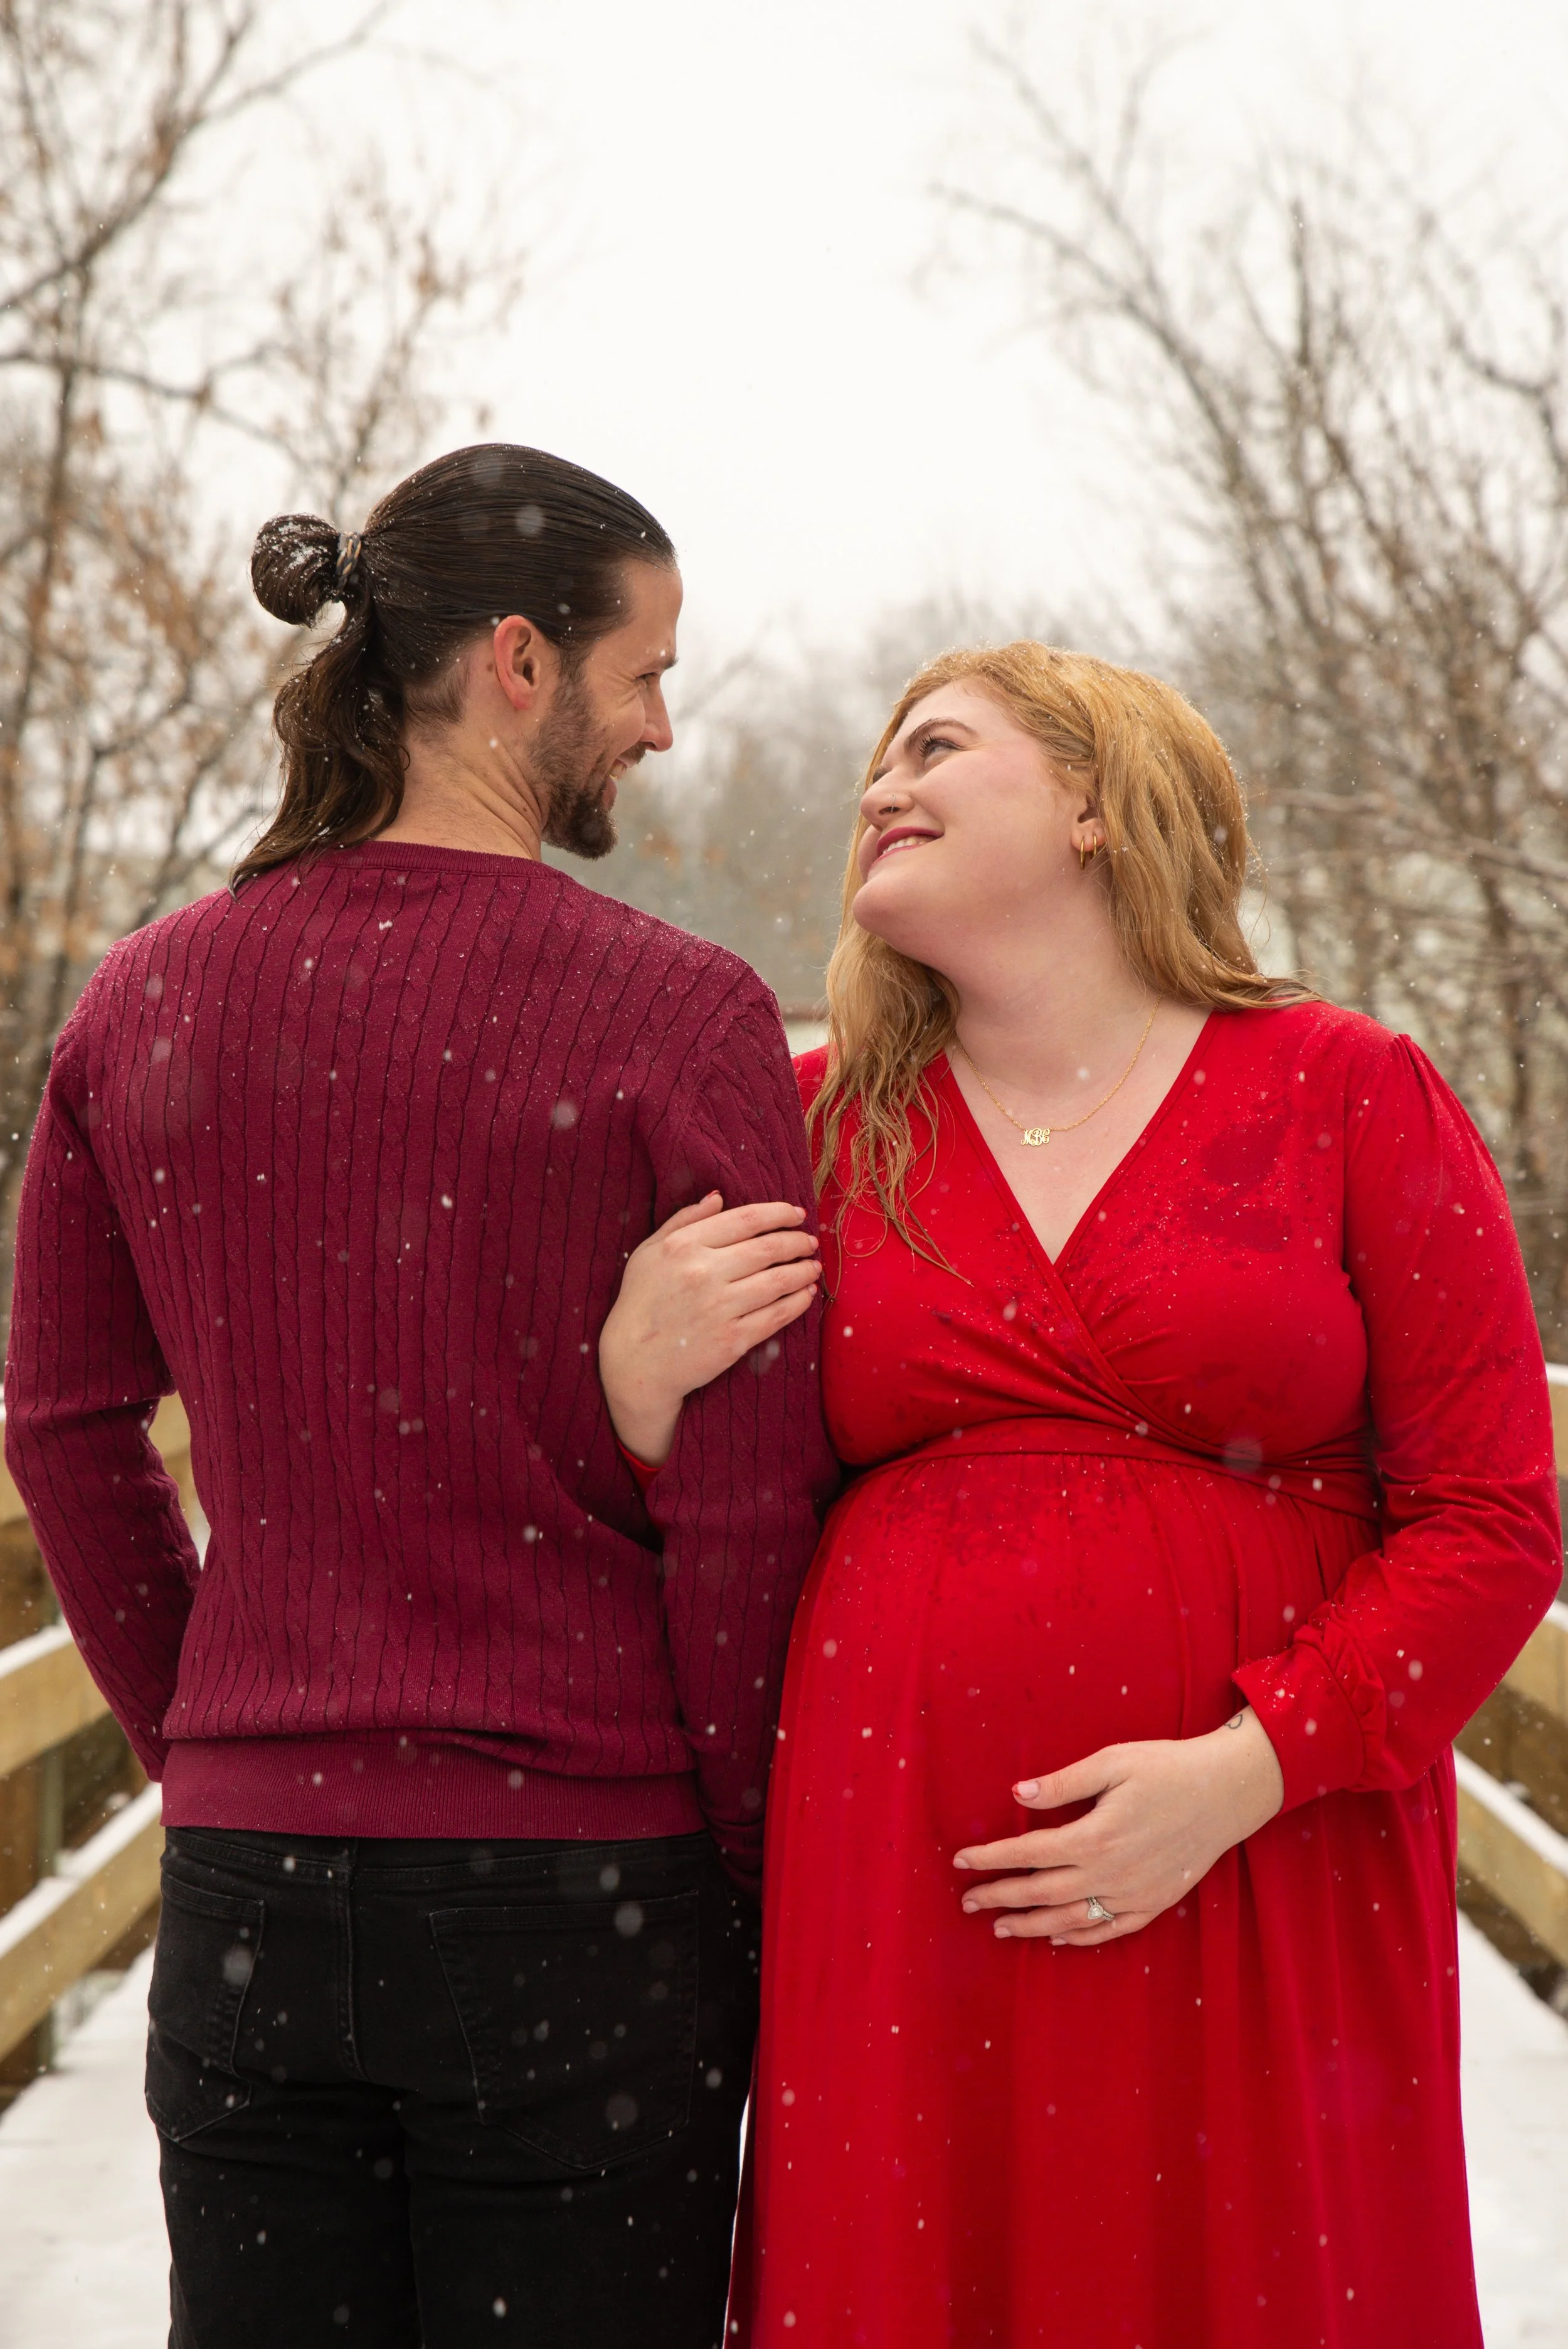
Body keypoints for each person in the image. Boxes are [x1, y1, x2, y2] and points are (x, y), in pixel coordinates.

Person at [597, 642, 1563, 2349]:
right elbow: (716, 1521)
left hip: (1265, 1851)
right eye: (880, 760)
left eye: (936, 748)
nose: (879, 787)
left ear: (1098, 802)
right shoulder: (815, 1128)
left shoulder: (1346, 1089)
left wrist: (1248, 1768)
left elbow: (1492, 1521)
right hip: (903, 1867)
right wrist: (634, 1393)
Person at [3, 442, 836, 2349]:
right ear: (519, 663)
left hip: (255, 1906)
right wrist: (737, 1852)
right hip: (584, 1891)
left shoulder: (144, 999)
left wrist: (209, 1745)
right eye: (646, 673)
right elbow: (744, 1497)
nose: (663, 727)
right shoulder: (681, 1012)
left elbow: (61, 1426)